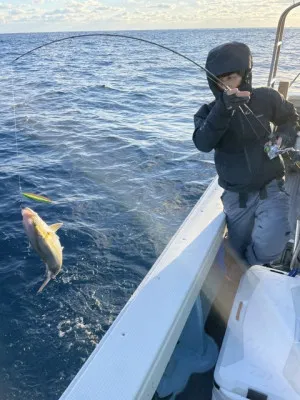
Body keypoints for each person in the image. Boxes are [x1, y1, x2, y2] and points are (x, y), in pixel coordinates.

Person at [193, 42, 299, 266]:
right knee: (236, 247)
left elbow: (290, 118)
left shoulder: (267, 97)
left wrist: (283, 137)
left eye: (233, 78)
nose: (228, 85)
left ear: (246, 74)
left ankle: (252, 267)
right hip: (236, 196)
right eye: (221, 81)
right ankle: (243, 271)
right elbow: (203, 142)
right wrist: (224, 108)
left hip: (271, 185)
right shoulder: (208, 112)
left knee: (274, 239)